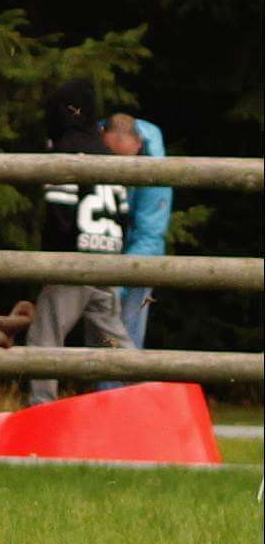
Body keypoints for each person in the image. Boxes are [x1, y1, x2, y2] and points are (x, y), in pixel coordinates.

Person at [25, 79, 135, 407]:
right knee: (114, 340)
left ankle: (41, 407)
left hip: (73, 262)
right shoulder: (109, 156)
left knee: (45, 338)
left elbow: (59, 215)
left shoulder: (65, 152)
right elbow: (123, 217)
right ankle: (151, 402)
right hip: (106, 259)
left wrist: (52, 261)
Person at [96, 112, 172, 390]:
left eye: (125, 159)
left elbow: (150, 235)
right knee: (100, 335)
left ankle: (117, 401)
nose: (119, 169)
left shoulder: (156, 169)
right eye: (112, 157)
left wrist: (120, 282)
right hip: (97, 250)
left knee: (125, 335)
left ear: (138, 144)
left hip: (138, 260)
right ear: (102, 139)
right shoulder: (89, 145)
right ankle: (100, 400)